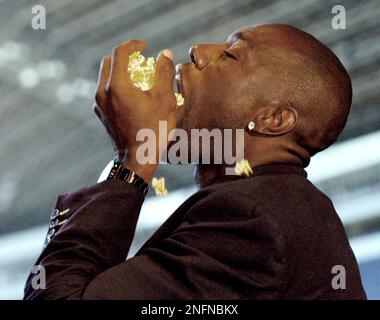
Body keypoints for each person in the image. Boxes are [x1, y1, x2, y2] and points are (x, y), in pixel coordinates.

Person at [24, 24, 366, 299]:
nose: (197, 51)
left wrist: (134, 160)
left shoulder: (252, 221)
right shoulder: (275, 207)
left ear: (274, 119)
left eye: (231, 54)